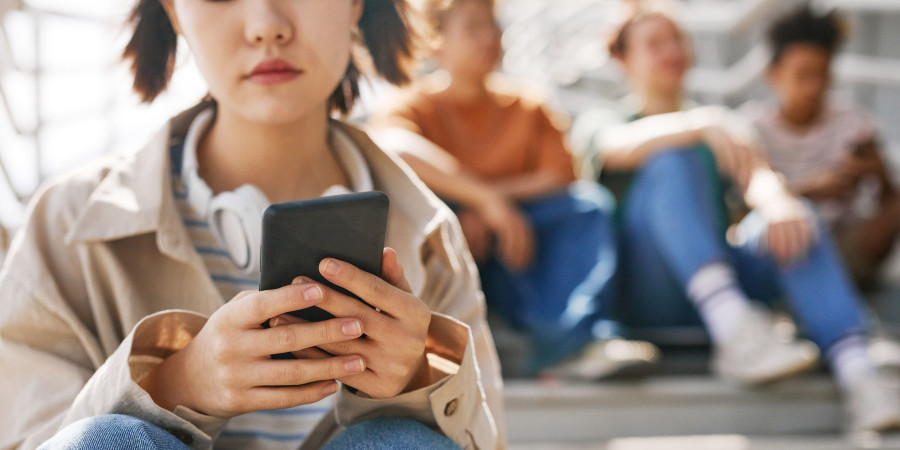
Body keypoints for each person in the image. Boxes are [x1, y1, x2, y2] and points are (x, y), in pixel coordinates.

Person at [0, 0, 504, 448]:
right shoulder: (64, 225)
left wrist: (417, 378)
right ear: (174, 10)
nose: (267, 25)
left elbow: (490, 439)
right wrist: (174, 385)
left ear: (356, 5)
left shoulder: (430, 232)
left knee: (401, 444)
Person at [571, 10, 900, 432]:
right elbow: (613, 147)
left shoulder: (721, 124)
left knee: (796, 218)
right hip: (649, 290)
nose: (672, 51)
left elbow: (758, 177)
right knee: (672, 161)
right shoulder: (608, 120)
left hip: (724, 283)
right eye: (655, 43)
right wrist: (698, 125)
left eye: (677, 40)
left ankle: (859, 376)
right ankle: (735, 327)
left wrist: (779, 202)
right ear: (623, 61)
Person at [370, 0, 659, 379]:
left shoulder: (529, 105)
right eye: (473, 28)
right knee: (414, 217)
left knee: (586, 207)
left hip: (522, 254)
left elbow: (560, 176)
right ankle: (431, 351)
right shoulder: (413, 104)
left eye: (494, 26)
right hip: (453, 254)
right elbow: (392, 146)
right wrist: (482, 201)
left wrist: (495, 207)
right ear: (436, 42)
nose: (489, 37)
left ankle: (579, 342)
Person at [741, 5, 900, 290]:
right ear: (773, 74)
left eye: (822, 74)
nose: (813, 87)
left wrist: (879, 174)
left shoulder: (853, 122)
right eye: (802, 75)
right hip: (781, 246)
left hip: (845, 245)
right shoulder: (749, 128)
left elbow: (888, 201)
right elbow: (739, 213)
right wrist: (810, 190)